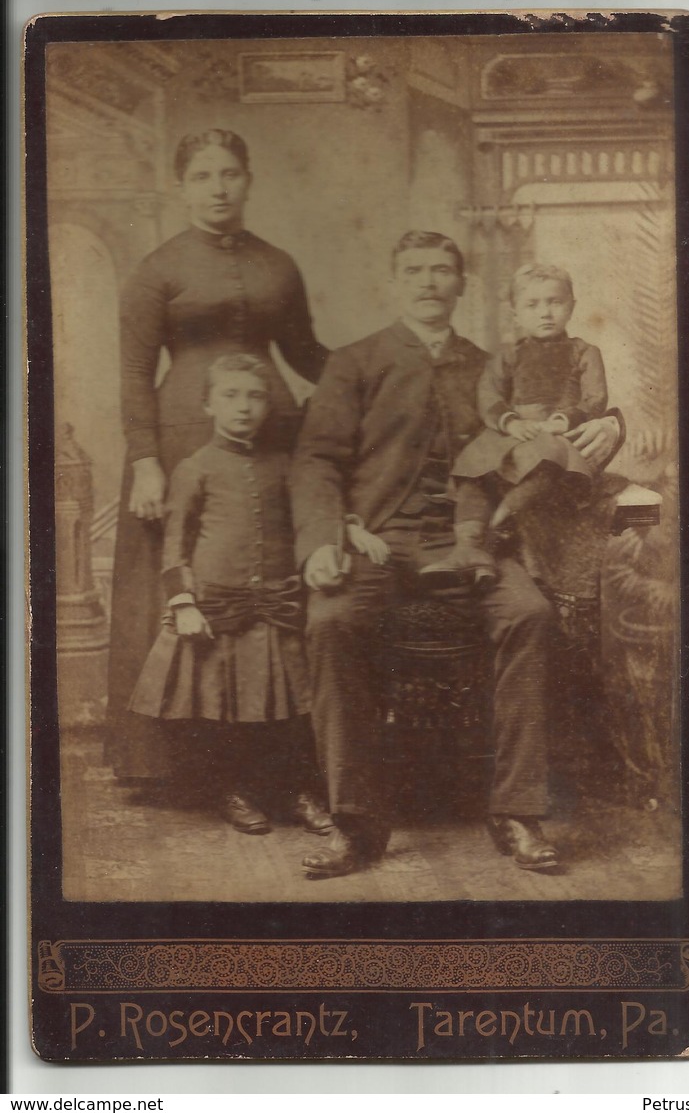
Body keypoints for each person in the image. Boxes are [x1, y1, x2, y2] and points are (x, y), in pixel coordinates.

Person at [290, 231, 622, 879]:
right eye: (413, 270)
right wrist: (320, 542)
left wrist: (614, 423)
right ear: (394, 282)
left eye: (442, 270)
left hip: (472, 539)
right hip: (377, 542)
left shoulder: (492, 363)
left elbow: (560, 410)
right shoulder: (357, 361)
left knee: (527, 612)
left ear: (462, 283)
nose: (428, 282)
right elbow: (316, 459)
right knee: (328, 621)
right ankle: (356, 822)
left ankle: (517, 812)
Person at [107, 128, 326, 784]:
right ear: (182, 186)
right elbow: (132, 374)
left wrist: (377, 369)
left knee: (269, 571)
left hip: (274, 429)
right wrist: (147, 460)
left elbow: (306, 353)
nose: (218, 187)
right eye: (202, 176)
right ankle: (177, 761)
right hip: (182, 436)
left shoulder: (278, 264)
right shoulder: (158, 269)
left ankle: (279, 751)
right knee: (184, 578)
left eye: (229, 173)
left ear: (248, 179)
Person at [128, 354, 332, 836]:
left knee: (289, 712)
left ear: (268, 406)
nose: (244, 407)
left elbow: (309, 520)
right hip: (217, 607)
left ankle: (296, 792)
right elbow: (176, 542)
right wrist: (184, 603)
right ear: (208, 405)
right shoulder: (195, 467)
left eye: (256, 396)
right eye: (231, 395)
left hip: (279, 607)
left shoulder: (285, 466)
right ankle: (231, 790)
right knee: (221, 711)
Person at [421, 262, 610, 584]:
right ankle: (467, 549)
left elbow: (595, 398)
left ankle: (493, 536)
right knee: (474, 471)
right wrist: (509, 422)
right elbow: (489, 394)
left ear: (572, 306)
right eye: (532, 305)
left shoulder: (584, 352)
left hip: (559, 433)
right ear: (516, 314)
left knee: (547, 463)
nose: (545, 313)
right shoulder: (509, 356)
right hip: (517, 431)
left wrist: (564, 419)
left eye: (555, 302)